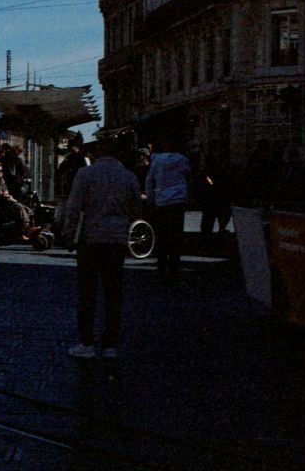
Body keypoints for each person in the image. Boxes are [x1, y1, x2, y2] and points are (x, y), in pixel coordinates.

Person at [63, 136, 142, 359]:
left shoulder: (85, 175)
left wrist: (69, 236)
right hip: (116, 240)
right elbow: (136, 210)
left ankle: (87, 343)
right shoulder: (129, 177)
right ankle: (110, 345)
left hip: (90, 239)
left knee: (87, 292)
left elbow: (73, 207)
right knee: (113, 293)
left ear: (98, 152)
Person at [146, 138, 193, 283]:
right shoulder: (181, 159)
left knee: (162, 236)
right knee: (176, 236)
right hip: (177, 201)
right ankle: (174, 268)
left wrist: (150, 199)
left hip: (161, 201)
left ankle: (161, 267)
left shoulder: (156, 161)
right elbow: (188, 174)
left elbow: (150, 180)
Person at [0, 163, 35, 229]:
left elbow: (6, 193)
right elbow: (2, 195)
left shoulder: (2, 182)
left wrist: (9, 197)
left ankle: (30, 227)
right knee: (19, 207)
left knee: (27, 209)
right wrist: (10, 198)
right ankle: (25, 227)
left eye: (1, 171)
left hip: (5, 204)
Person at [198, 157, 233, 241]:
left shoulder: (216, 172)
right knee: (210, 216)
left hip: (215, 196)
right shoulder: (207, 173)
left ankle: (217, 230)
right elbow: (209, 183)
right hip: (212, 197)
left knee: (215, 215)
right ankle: (207, 234)